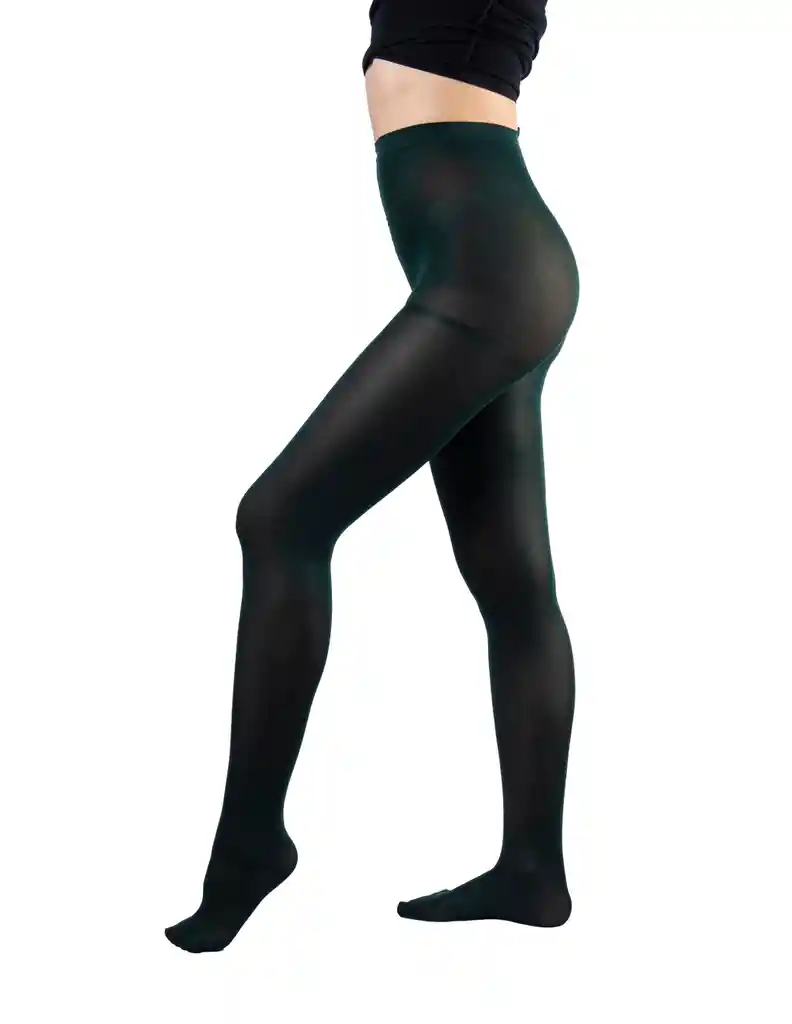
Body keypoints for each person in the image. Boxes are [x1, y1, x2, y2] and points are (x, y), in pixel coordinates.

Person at [165, 0, 579, 953]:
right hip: (491, 265)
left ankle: (249, 846)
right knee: (513, 585)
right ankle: (533, 872)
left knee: (280, 521)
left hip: (488, 275)